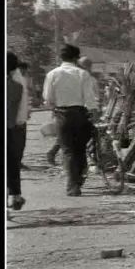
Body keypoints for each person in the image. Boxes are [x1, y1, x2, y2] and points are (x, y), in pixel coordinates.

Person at [42, 44, 98, 196]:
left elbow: (47, 99)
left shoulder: (52, 74)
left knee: (67, 150)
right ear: (76, 58)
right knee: (80, 149)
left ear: (61, 57)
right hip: (81, 114)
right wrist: (94, 113)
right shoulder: (83, 74)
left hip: (62, 114)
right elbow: (90, 99)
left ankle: (72, 185)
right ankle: (78, 180)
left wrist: (54, 107)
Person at [7, 52, 27, 210]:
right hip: (12, 128)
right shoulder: (18, 85)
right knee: (12, 163)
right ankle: (16, 195)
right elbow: (20, 112)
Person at [13, 61, 32, 170]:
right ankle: (16, 163)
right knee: (18, 142)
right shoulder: (17, 79)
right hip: (16, 118)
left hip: (20, 117)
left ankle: (17, 162)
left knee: (20, 143)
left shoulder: (20, 79)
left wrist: (27, 111)